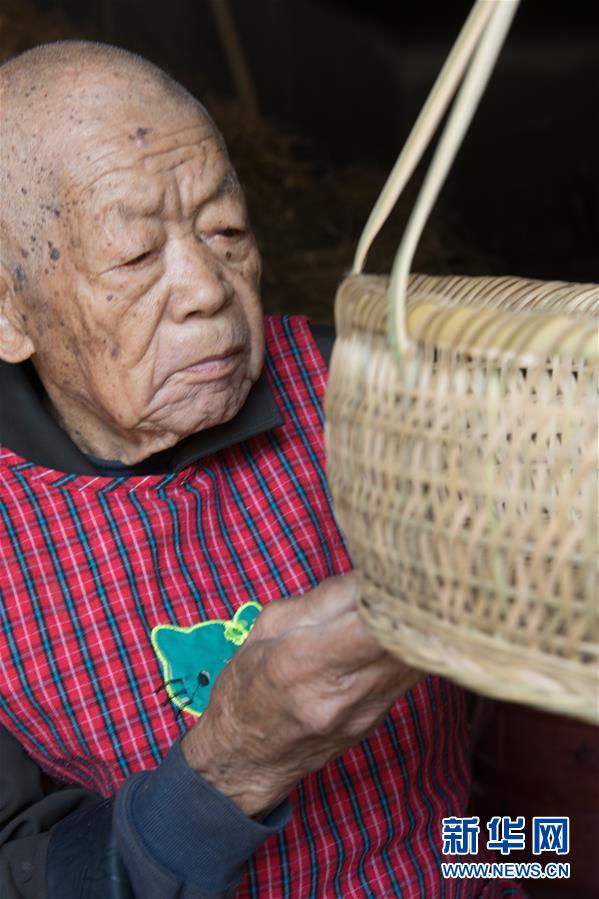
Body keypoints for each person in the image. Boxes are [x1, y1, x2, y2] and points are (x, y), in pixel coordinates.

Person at [0, 41, 526, 899]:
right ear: (9, 310)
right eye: (134, 257)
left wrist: (548, 854)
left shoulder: (365, 392)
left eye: (226, 230)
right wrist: (231, 762)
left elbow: (458, 828)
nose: (208, 288)